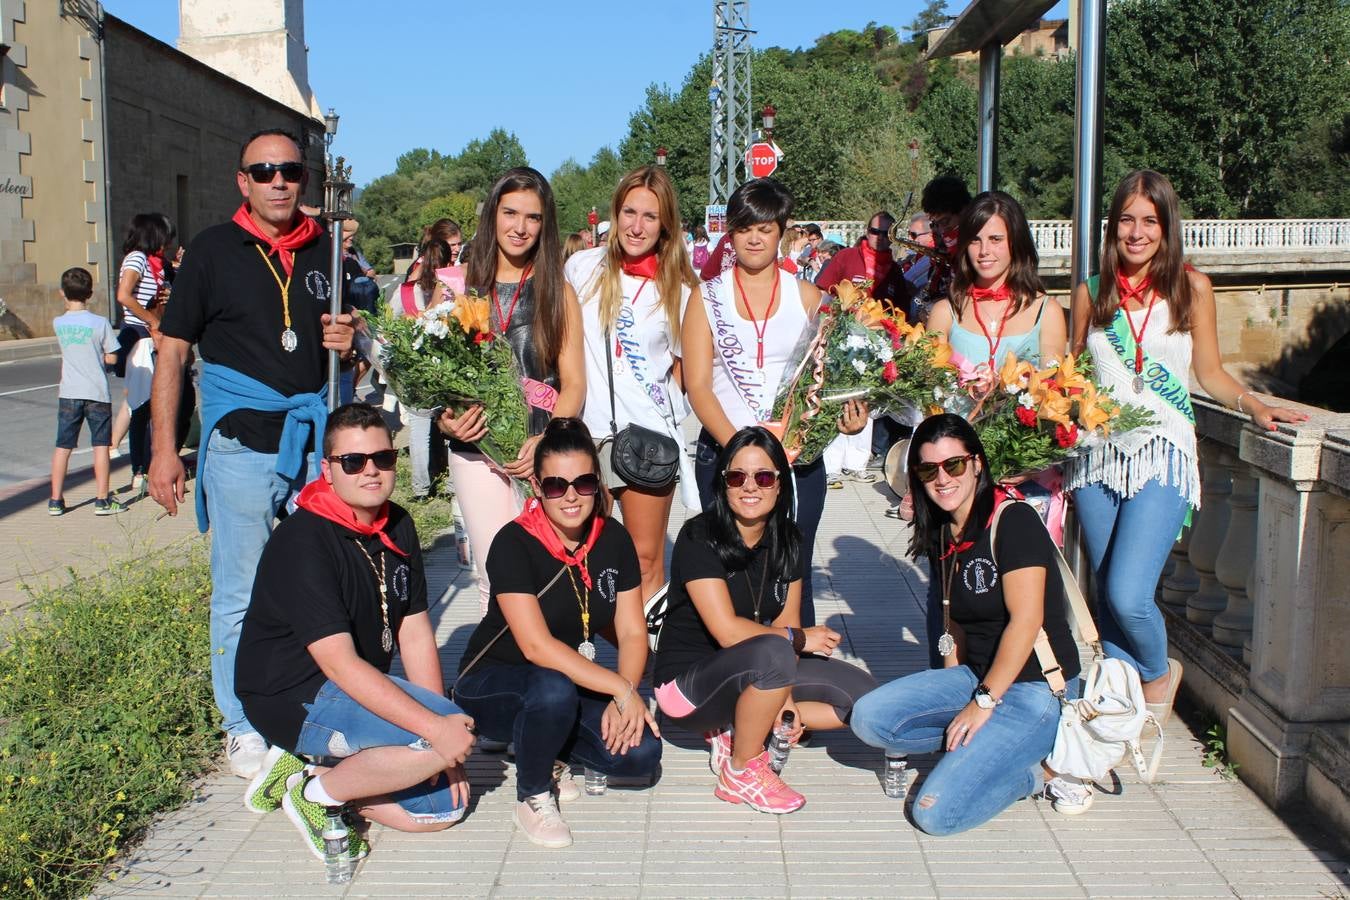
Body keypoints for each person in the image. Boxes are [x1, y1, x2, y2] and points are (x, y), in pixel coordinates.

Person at [149, 127, 357, 779]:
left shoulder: (326, 250)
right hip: (241, 449)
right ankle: (240, 723)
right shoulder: (211, 251)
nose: (278, 181)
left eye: (290, 170)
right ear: (242, 180)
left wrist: (348, 339)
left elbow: (349, 348)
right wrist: (164, 450)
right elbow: (175, 353)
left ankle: (307, 701)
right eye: (263, 171)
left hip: (314, 445)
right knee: (239, 592)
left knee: (321, 585)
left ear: (304, 179)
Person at [1065, 170, 1308, 725]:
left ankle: (1156, 674)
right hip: (1098, 456)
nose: (1136, 232)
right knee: (1107, 599)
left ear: (1166, 227)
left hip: (1162, 453)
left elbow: (1211, 373)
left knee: (1129, 594)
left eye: (1149, 220)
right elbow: (1074, 374)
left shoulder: (1191, 287)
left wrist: (1252, 403)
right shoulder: (1090, 292)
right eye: (1126, 219)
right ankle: (1118, 722)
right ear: (1113, 227)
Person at [236, 403, 476, 859]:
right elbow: (339, 664)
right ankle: (313, 792)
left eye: (383, 458)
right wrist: (433, 736)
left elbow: (415, 631)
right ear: (327, 470)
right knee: (432, 806)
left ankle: (312, 765)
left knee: (451, 759)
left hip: (351, 686)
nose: (371, 471)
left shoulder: (398, 524)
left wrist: (443, 724)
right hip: (290, 694)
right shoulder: (303, 541)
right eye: (353, 461)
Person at [851, 413, 1090, 831]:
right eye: (928, 469)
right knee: (868, 718)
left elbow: (1026, 621)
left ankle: (1046, 770)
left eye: (953, 465)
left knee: (936, 814)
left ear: (977, 463)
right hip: (976, 678)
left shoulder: (1013, 521)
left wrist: (980, 706)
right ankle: (982, 751)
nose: (942, 478)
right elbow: (954, 627)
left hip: (1035, 689)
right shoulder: (945, 529)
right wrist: (955, 699)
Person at [452, 418, 661, 848]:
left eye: (583, 483)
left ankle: (554, 751)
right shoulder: (513, 543)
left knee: (641, 755)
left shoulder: (613, 538)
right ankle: (532, 795)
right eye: (555, 485)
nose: (570, 496)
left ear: (596, 484)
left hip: (566, 681)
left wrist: (627, 694)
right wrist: (619, 689)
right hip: (493, 682)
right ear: (537, 486)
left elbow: (631, 630)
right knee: (550, 689)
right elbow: (535, 646)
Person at [653, 426, 875, 813]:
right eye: (737, 477)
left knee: (870, 703)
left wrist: (785, 700)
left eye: (764, 476)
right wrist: (801, 639)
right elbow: (727, 632)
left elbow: (787, 623)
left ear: (779, 486)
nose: (750, 487)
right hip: (689, 688)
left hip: (762, 668)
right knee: (774, 648)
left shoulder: (789, 538)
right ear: (722, 484)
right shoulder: (698, 536)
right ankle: (741, 770)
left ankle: (745, 725)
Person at [683, 176, 868, 627]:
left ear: (782, 231)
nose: (754, 237)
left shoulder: (809, 298)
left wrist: (850, 418)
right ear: (730, 231)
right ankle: (733, 676)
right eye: (744, 227)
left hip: (798, 462)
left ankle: (794, 676)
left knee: (793, 572)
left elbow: (834, 380)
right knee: (730, 572)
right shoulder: (706, 299)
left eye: (765, 228)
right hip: (726, 457)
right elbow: (698, 386)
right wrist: (743, 455)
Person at [437, 167, 586, 618]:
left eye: (533, 217)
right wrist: (446, 416)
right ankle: (497, 681)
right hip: (474, 451)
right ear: (492, 215)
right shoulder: (457, 286)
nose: (520, 227)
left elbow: (574, 381)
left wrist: (546, 439)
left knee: (549, 572)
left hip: (539, 454)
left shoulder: (557, 291)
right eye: (510, 213)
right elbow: (436, 380)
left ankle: (554, 678)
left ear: (546, 224)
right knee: (495, 575)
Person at [566, 165, 699, 602]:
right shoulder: (581, 268)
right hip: (587, 435)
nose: (636, 226)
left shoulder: (679, 287)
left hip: (649, 438)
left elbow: (684, 370)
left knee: (645, 560)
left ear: (666, 226)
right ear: (615, 213)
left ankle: (649, 668)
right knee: (584, 560)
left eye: (650, 217)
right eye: (629, 212)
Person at [927, 191, 1067, 388]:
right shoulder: (945, 311)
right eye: (975, 240)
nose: (984, 250)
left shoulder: (1047, 311)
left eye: (995, 239)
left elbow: (1052, 387)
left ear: (1015, 241)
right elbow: (929, 388)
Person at [49, 267, 124, 517]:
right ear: (90, 294)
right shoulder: (100, 323)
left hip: (69, 391)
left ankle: (55, 500)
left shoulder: (58, 323)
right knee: (100, 445)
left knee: (63, 446)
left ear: (62, 293)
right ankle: (102, 500)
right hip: (96, 392)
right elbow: (112, 357)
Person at [112, 213, 174, 492]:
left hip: (154, 338)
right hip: (139, 337)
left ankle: (151, 464)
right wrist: (152, 320)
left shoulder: (156, 265)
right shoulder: (136, 258)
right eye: (165, 236)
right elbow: (124, 295)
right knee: (141, 408)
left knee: (160, 405)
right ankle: (139, 469)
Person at [391, 238, 456, 501]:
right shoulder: (453, 287)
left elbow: (390, 322)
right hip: (448, 365)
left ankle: (421, 489)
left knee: (419, 431)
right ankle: (453, 485)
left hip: (416, 368)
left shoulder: (406, 292)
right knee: (452, 427)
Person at [907, 176, 973, 324]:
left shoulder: (978, 255)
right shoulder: (952, 254)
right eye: (936, 224)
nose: (942, 231)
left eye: (946, 222)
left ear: (965, 212)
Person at [815, 211, 905, 313]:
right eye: (875, 231)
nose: (880, 237)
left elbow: (901, 312)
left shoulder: (895, 271)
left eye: (886, 234)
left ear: (892, 237)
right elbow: (822, 291)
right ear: (867, 232)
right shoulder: (846, 256)